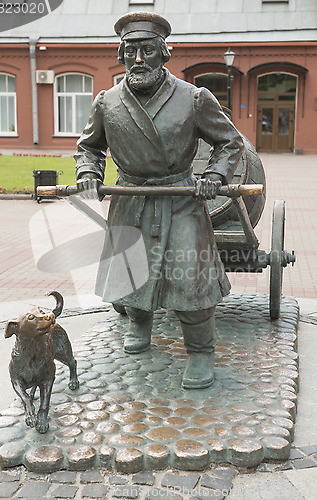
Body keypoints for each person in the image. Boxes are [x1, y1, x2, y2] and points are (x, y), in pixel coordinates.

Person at [74, 12, 244, 389]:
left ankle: (201, 351)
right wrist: (88, 173)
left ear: (164, 53)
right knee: (131, 274)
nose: (139, 59)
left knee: (191, 281)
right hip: (131, 197)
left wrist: (214, 175)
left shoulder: (194, 98)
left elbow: (229, 142)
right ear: (121, 54)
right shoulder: (107, 103)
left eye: (148, 50)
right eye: (131, 50)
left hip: (180, 199)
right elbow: (89, 147)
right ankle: (138, 322)